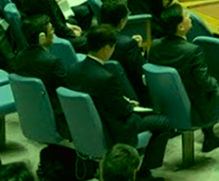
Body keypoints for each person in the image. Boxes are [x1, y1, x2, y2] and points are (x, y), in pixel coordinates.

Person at [148, 5, 219, 157]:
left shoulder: (154, 46)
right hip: (195, 106)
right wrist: (215, 82)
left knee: (202, 89)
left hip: (168, 103)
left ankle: (210, 138)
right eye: (186, 15)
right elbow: (206, 83)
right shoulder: (193, 51)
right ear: (180, 27)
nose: (189, 17)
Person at [66, 26, 174, 180]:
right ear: (106, 49)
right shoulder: (105, 77)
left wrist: (122, 101)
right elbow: (121, 111)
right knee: (163, 121)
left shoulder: (72, 69)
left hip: (84, 127)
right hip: (114, 129)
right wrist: (131, 106)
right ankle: (144, 173)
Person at [12, 15, 70, 125]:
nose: (53, 32)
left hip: (32, 113)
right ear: (42, 37)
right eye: (51, 30)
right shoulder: (52, 62)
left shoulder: (19, 58)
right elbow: (66, 89)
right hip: (57, 116)